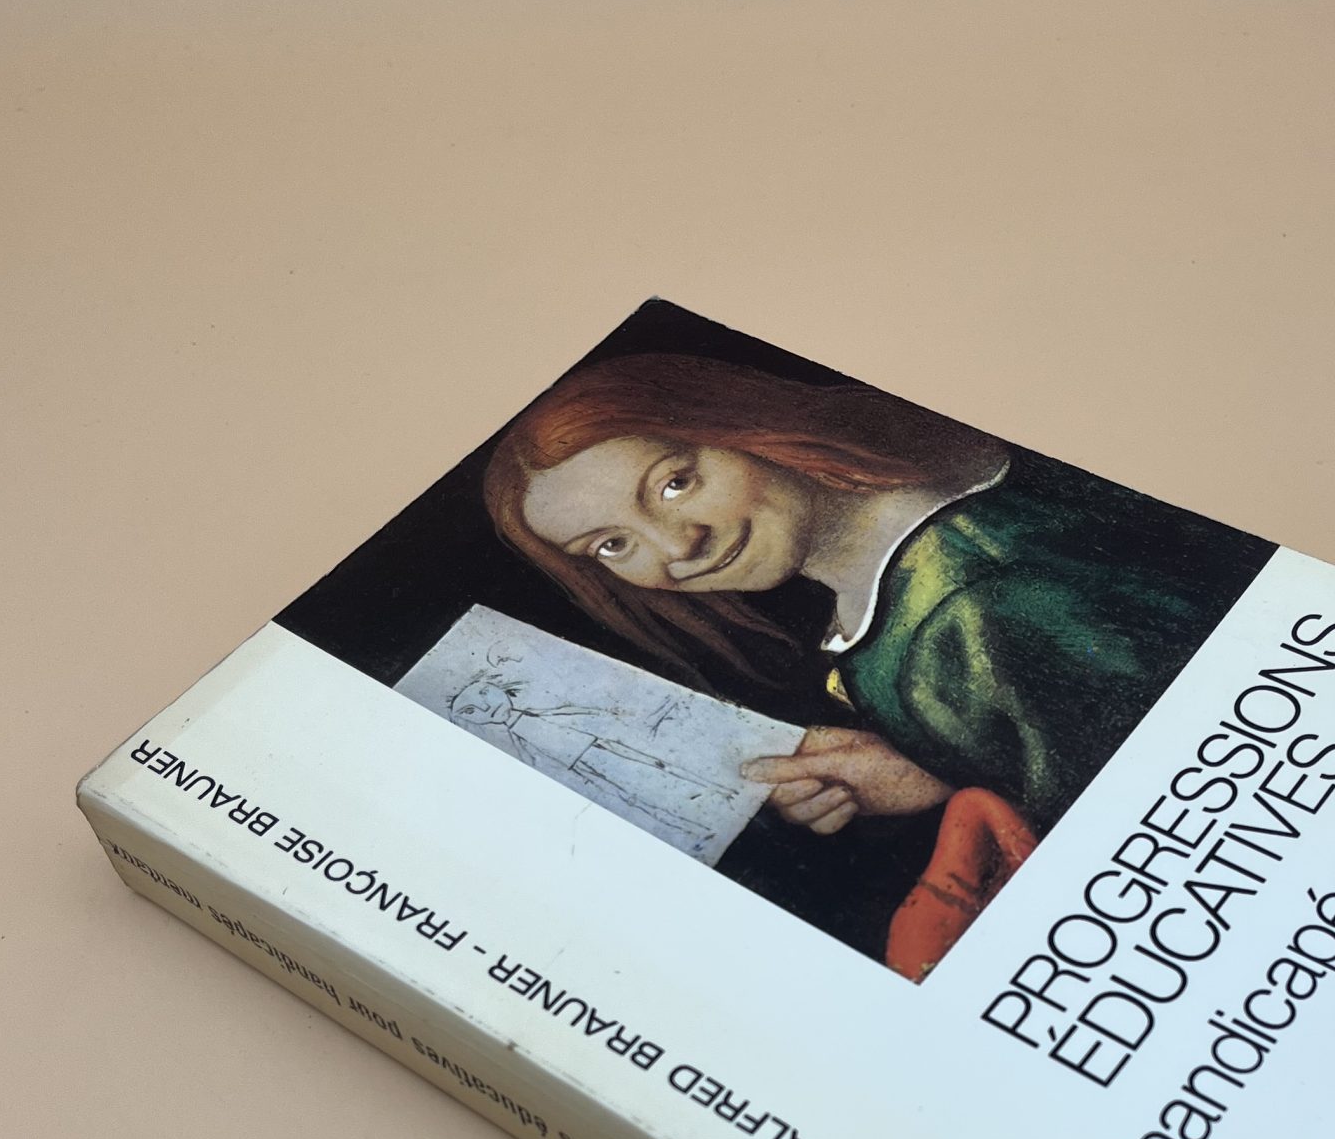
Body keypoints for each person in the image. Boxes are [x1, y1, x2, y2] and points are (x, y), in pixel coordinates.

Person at [482, 352, 1272, 962]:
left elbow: (1157, 842)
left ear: (740, 426)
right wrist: (932, 767)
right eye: (612, 545)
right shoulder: (929, 541)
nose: (677, 546)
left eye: (675, 484)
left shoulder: (969, 609)